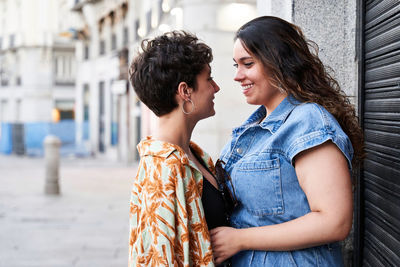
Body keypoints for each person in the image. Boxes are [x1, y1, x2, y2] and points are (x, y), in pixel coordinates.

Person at [210, 16, 364, 266]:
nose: (238, 76)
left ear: (278, 62)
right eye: (236, 65)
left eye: (247, 64)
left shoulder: (308, 122)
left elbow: (334, 221)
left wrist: (240, 239)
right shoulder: (253, 127)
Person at [128, 31, 235, 267]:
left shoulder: (192, 154)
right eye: (209, 79)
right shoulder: (162, 168)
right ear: (185, 91)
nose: (216, 87)